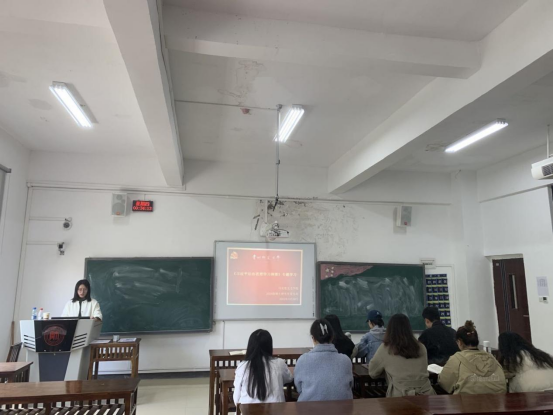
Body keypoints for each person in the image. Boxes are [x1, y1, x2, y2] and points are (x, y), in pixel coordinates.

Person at [369, 313, 435, 397]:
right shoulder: (421, 347)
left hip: (400, 396)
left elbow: (373, 373)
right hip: (426, 395)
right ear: (409, 328)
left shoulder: (386, 348)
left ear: (390, 329)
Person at [439, 321, 506, 394]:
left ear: (459, 342)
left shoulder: (456, 359)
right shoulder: (492, 358)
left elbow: (444, 383)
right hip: (498, 400)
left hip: (466, 400)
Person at [294, 319, 353, 401]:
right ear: (332, 337)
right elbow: (350, 385)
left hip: (309, 407)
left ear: (313, 338)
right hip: (343, 407)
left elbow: (299, 388)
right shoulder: (345, 360)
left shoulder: (303, 360)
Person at [233, 329, 293, 405]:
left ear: (250, 346)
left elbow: (236, 398)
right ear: (269, 346)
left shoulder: (243, 366)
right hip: (277, 410)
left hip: (247, 410)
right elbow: (289, 379)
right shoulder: (280, 363)